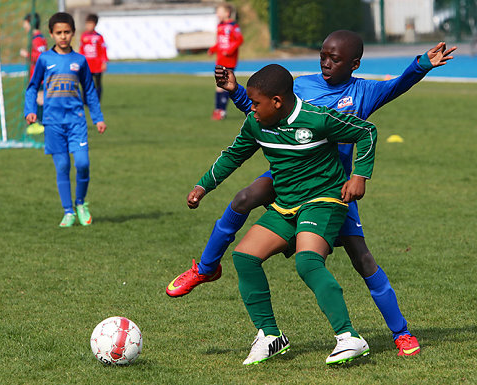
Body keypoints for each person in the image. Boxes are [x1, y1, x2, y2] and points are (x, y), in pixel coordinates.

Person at [167, 30, 456, 356]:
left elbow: (395, 87)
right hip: (288, 173)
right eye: (323, 56)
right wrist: (235, 92)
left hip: (332, 184)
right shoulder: (301, 85)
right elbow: (261, 111)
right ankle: (206, 269)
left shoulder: (364, 91)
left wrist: (421, 65)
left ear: (354, 64)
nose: (326, 63)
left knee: (361, 259)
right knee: (244, 197)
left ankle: (400, 332)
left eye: (335, 59)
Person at [187, 64, 377, 365]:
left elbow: (366, 131)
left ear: (277, 101)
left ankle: (349, 337)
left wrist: (360, 176)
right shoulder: (256, 124)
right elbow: (233, 155)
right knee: (245, 257)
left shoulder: (316, 118)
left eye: (256, 102)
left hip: (324, 201)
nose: (251, 107)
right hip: (286, 204)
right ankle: (270, 335)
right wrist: (202, 186)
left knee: (307, 261)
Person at [24, 12, 107, 228]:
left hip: (76, 121)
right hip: (52, 122)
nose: (63, 36)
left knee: (82, 163)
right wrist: (30, 110)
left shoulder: (79, 60)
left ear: (73, 33)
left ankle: (80, 203)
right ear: (51, 34)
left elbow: (89, 90)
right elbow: (32, 87)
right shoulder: (45, 59)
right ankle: (68, 210)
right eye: (59, 32)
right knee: (62, 165)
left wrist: (97, 118)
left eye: (67, 32)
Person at [207, 2, 243, 120]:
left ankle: (221, 111)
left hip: (229, 61)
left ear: (227, 13)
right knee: (219, 85)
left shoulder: (233, 26)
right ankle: (219, 110)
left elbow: (239, 40)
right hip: (220, 60)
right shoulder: (220, 26)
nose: (217, 13)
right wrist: (213, 49)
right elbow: (220, 43)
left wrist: (230, 49)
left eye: (219, 11)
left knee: (223, 85)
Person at [21, 12, 47, 135]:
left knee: (40, 98)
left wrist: (27, 55)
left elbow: (41, 57)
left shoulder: (37, 40)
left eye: (25, 24)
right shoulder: (38, 38)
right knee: (36, 98)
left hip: (40, 76)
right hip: (36, 76)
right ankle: (38, 122)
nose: (24, 27)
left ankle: (41, 123)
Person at [79, 13, 108, 101]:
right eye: (87, 24)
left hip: (97, 64)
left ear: (95, 24)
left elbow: (103, 50)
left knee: (98, 83)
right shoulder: (84, 36)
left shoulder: (99, 37)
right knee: (86, 83)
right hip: (87, 64)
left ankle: (97, 100)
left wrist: (104, 62)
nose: (88, 26)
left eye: (90, 24)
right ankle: (85, 101)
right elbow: (81, 50)